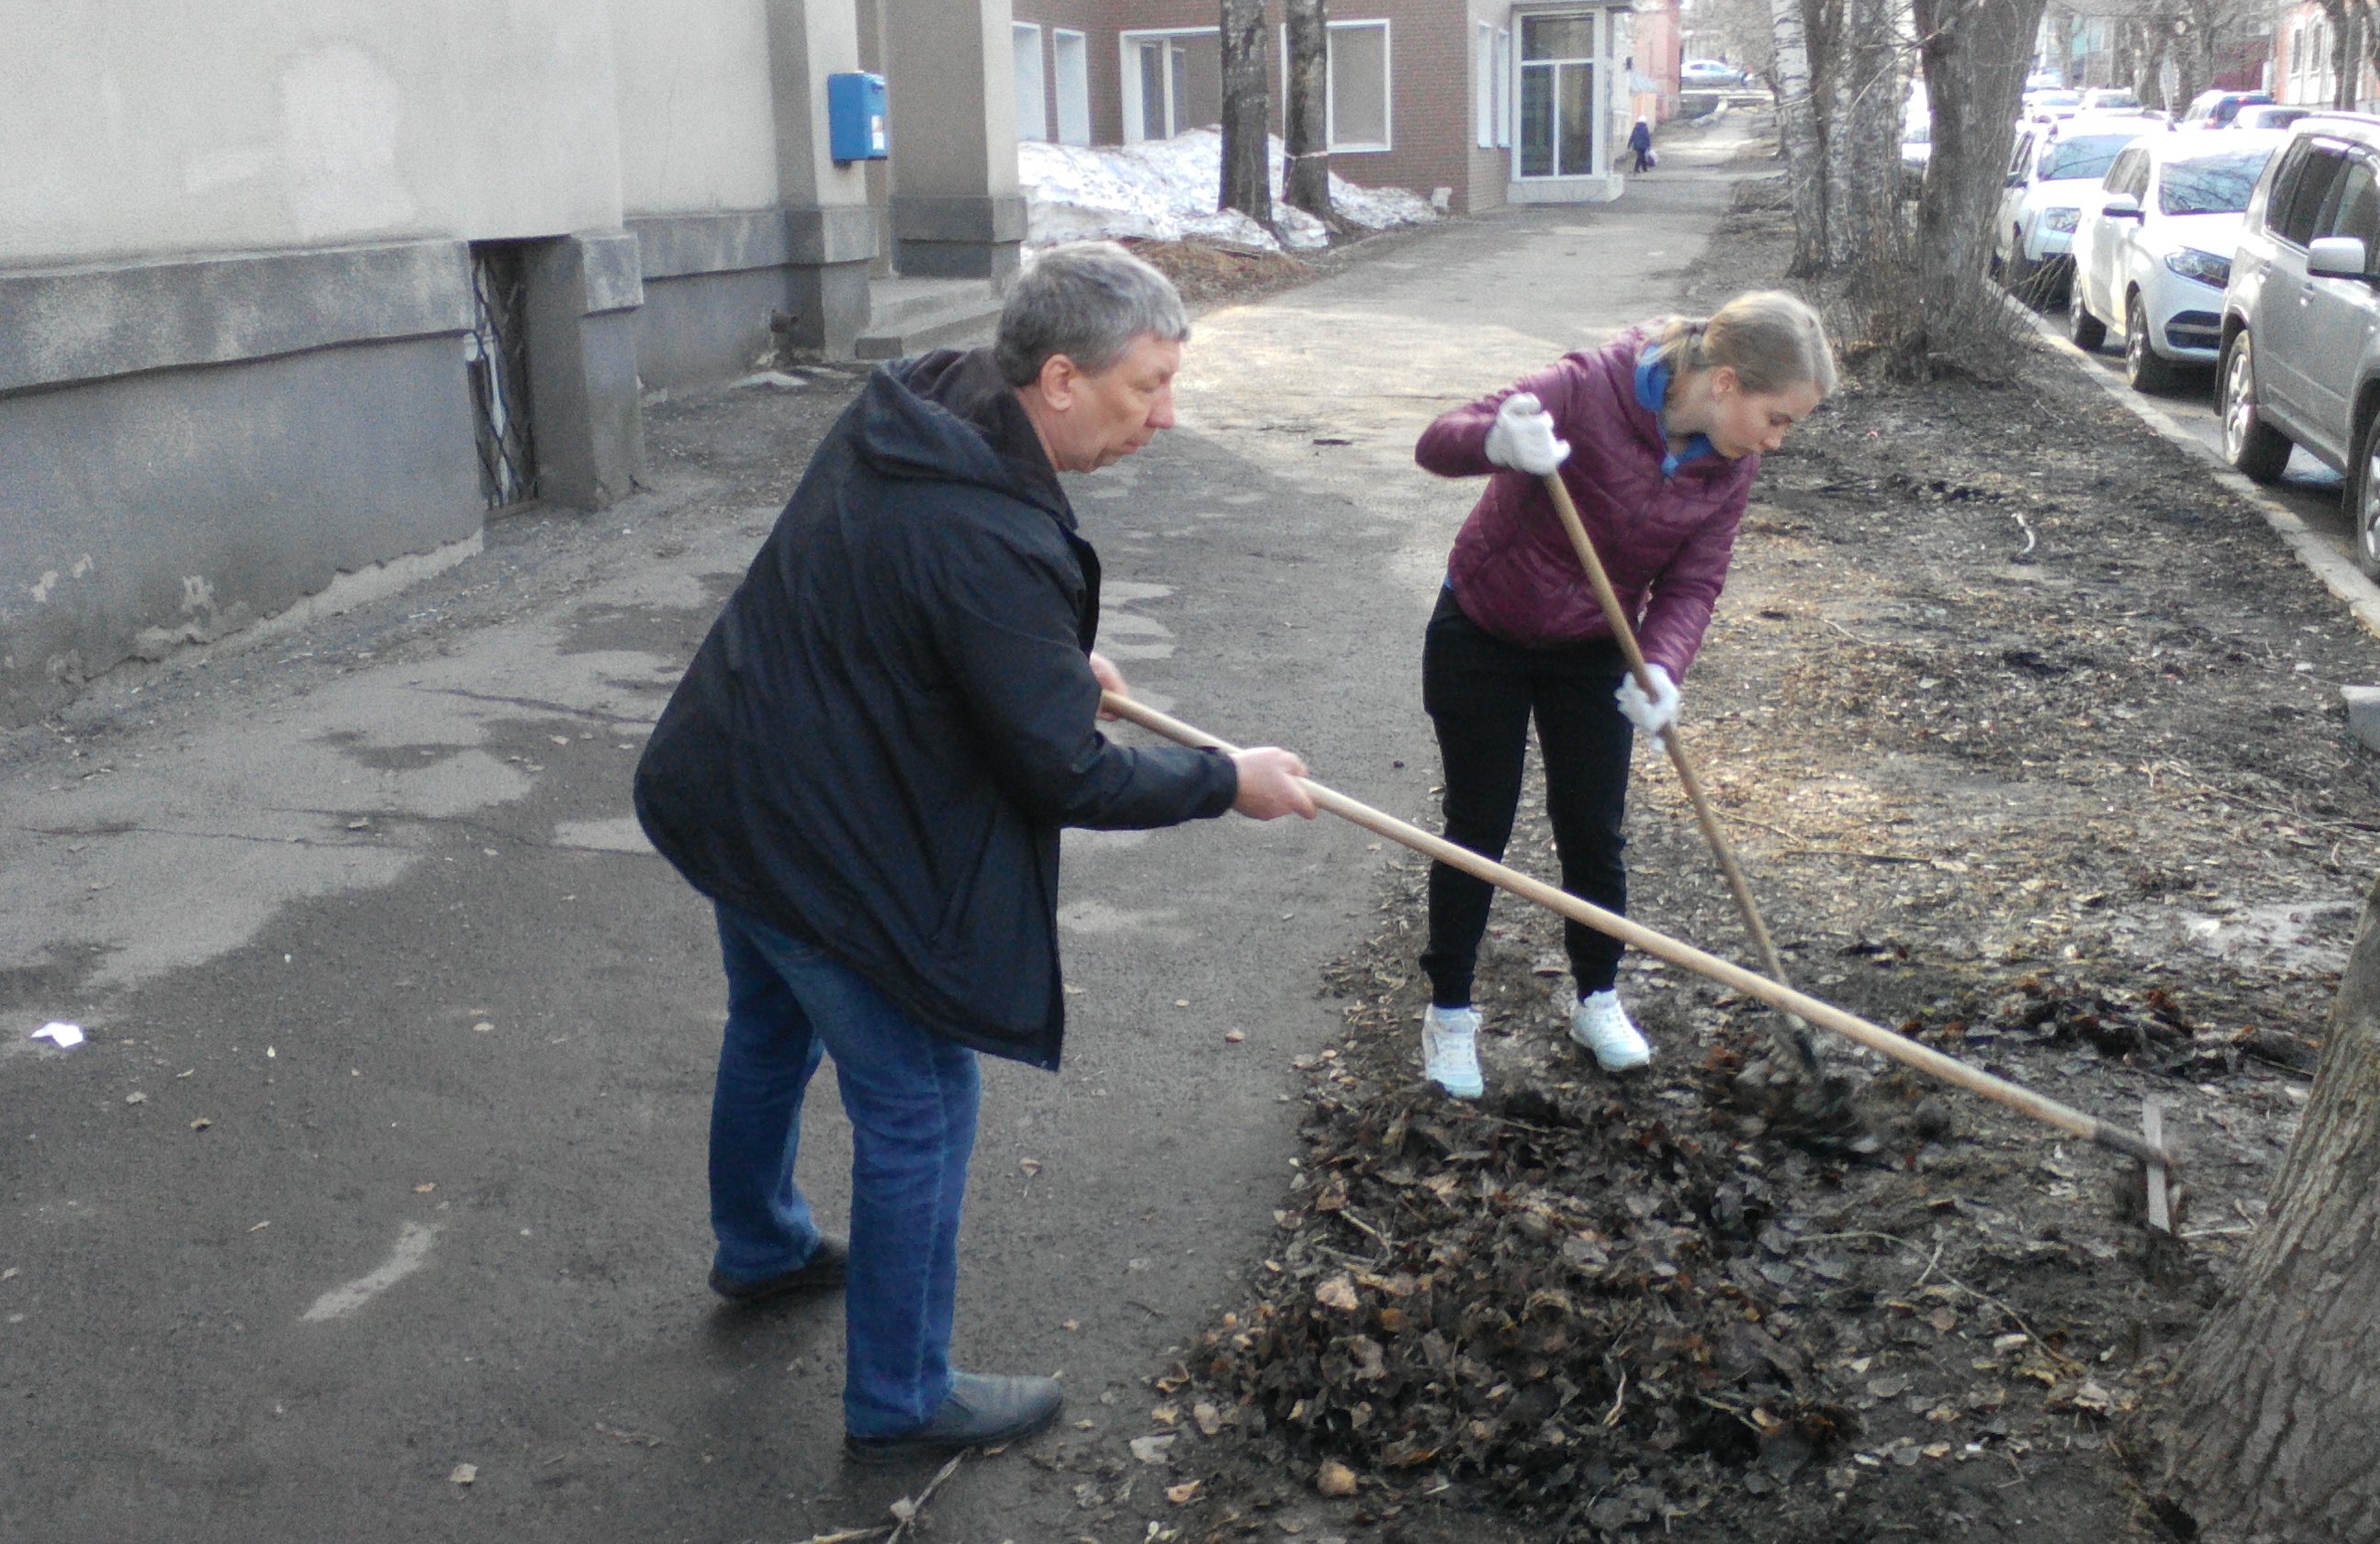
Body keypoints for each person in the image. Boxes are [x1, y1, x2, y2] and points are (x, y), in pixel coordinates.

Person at [634, 241, 1317, 1460]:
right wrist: (1227, 782)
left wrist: (1040, 665)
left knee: (771, 1026)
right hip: (810, 833)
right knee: (924, 1101)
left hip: (737, 785)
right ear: (1059, 377)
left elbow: (917, 615)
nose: (1165, 416)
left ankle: (761, 1245)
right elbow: (1066, 771)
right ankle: (900, 1399)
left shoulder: (927, 399)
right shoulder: (988, 534)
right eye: (1144, 386)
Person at [1410, 292, 1836, 1099]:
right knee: (1478, 824)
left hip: (1596, 647)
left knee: (1593, 828)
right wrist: (1499, 441)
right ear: (1725, 384)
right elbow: (1437, 443)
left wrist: (1664, 665)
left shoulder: (1729, 465)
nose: (1777, 442)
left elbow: (1694, 581)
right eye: (1777, 418)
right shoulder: (1589, 386)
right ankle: (1451, 1012)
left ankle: (1596, 996)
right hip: (1483, 626)